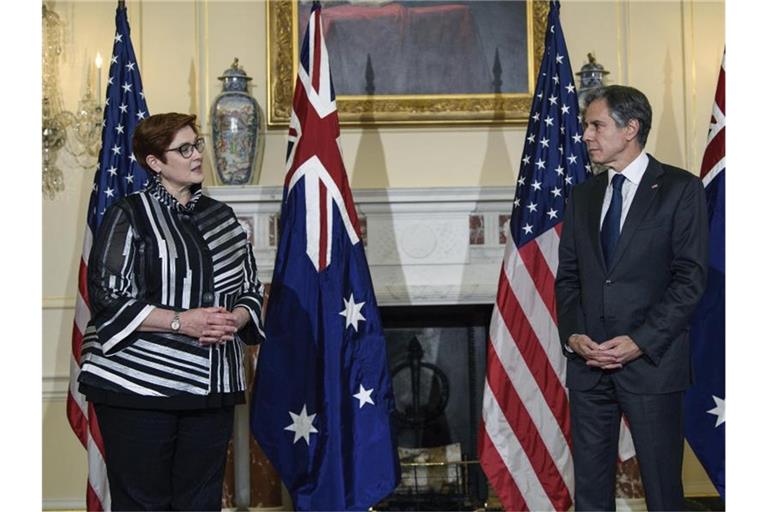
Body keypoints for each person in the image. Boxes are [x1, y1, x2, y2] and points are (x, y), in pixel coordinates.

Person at [77, 112, 265, 511]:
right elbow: (108, 298)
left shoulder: (224, 218)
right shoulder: (128, 215)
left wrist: (236, 318)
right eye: (184, 149)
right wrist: (184, 322)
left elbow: (250, 289)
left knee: (201, 502)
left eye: (197, 144)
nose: (198, 155)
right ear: (155, 163)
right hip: (136, 386)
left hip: (212, 386)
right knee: (144, 504)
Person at [555, 86, 708, 511]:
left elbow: (689, 280)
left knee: (662, 493)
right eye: (588, 126)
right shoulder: (582, 196)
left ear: (631, 129)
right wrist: (574, 336)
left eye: (596, 125)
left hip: (651, 365)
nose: (586, 134)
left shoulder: (680, 188)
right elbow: (568, 278)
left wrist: (639, 340)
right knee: (590, 494)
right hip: (589, 368)